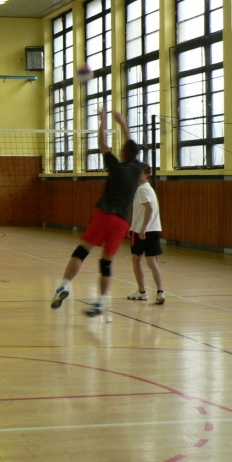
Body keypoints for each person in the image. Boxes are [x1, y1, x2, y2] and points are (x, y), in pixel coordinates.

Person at [50, 107, 142, 317]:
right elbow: (131, 145)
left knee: (81, 252)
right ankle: (100, 303)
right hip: (122, 223)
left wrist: (103, 119)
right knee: (106, 263)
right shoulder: (138, 169)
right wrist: (123, 123)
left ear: (122, 153)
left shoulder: (116, 167)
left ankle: (63, 286)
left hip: (105, 216)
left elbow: (102, 143)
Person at [127, 163, 165, 305]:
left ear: (147, 175)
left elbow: (149, 208)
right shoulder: (149, 188)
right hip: (154, 229)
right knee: (152, 262)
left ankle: (142, 292)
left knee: (136, 260)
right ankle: (160, 292)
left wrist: (142, 228)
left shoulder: (141, 189)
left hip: (141, 231)